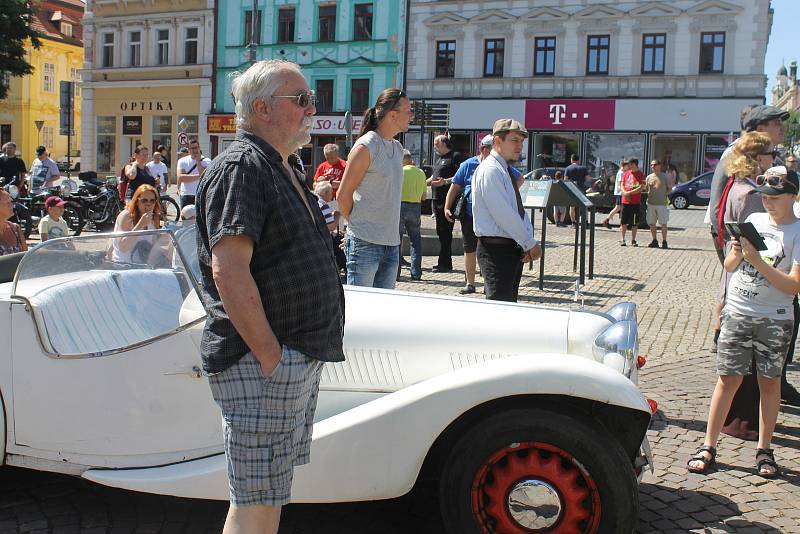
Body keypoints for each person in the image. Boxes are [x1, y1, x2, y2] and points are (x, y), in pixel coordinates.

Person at [195, 60, 344, 534]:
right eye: (300, 100)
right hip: (261, 363)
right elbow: (229, 269)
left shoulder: (280, 164)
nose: (312, 109)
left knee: (268, 495)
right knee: (255, 501)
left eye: (311, 98)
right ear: (261, 108)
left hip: (287, 359)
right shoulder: (242, 166)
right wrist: (269, 355)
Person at [688, 166, 800, 479]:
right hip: (738, 311)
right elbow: (729, 264)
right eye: (765, 194)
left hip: (774, 318)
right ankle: (709, 445)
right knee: (727, 379)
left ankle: (764, 449)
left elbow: (793, 287)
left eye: (776, 195)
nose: (768, 201)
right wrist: (738, 253)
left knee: (770, 384)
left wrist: (757, 261)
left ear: (792, 195)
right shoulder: (753, 221)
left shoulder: (797, 231)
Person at [716, 132, 776, 440]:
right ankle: (742, 422)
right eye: (770, 154)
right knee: (748, 363)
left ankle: (735, 419)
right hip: (749, 281)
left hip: (734, 276)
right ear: (757, 158)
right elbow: (761, 246)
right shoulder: (751, 194)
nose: (773, 159)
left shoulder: (734, 185)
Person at [337, 88, 410, 289]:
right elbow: (343, 194)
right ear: (392, 115)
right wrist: (356, 225)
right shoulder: (366, 146)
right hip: (364, 243)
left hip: (391, 243)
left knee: (382, 314)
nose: (411, 115)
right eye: (408, 110)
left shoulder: (397, 148)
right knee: (360, 312)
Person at [472, 119, 541, 302]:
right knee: (499, 313)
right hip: (496, 251)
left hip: (508, 249)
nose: (519, 146)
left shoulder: (503, 169)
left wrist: (525, 242)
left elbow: (516, 210)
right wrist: (529, 243)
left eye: (521, 141)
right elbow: (504, 214)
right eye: (514, 140)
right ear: (497, 141)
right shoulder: (491, 170)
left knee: (507, 308)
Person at [444, 134, 499, 294]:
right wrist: (447, 207)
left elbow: (518, 178)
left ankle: (489, 283)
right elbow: (454, 187)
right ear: (484, 149)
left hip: (491, 216)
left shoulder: (499, 165)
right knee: (469, 249)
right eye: (492, 150)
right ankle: (470, 283)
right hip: (469, 215)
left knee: (489, 249)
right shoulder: (468, 165)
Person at [427, 134, 465, 273]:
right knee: (440, 232)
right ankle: (443, 261)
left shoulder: (455, 157)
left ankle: (445, 263)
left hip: (447, 200)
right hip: (436, 200)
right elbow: (434, 176)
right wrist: (424, 182)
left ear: (444, 143)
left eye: (436, 143)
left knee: (445, 232)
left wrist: (445, 182)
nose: (434, 146)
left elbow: (459, 177)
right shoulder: (440, 159)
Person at [111, 184, 161, 263]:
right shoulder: (127, 216)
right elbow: (123, 247)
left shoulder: (154, 217)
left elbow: (153, 246)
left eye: (152, 201)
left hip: (143, 265)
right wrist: (140, 225)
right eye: (144, 200)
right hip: (123, 264)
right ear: (137, 201)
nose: (149, 204)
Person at [399, 150, 426, 281]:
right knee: (415, 241)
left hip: (400, 206)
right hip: (416, 207)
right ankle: (416, 273)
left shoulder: (400, 172)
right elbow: (424, 196)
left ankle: (395, 273)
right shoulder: (421, 173)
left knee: (396, 241)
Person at [177, 139, 211, 209]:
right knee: (186, 219)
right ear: (188, 150)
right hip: (186, 195)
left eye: (196, 147)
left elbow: (205, 176)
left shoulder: (207, 161)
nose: (195, 150)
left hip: (201, 195)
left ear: (199, 148)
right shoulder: (182, 161)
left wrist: (198, 161)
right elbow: (181, 178)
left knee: (201, 219)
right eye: (192, 148)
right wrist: (200, 176)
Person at [619, 158, 645, 247]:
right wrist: (624, 192)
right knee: (623, 221)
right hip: (625, 202)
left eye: (630, 164)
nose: (628, 166)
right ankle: (622, 239)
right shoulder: (626, 173)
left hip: (635, 202)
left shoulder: (641, 175)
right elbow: (622, 184)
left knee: (634, 222)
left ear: (634, 164)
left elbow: (641, 187)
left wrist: (629, 193)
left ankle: (633, 240)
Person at [646, 160, 670, 249]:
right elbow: (646, 189)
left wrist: (663, 194)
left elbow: (670, 189)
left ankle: (664, 241)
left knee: (663, 223)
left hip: (661, 204)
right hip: (651, 203)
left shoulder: (664, 176)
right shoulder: (648, 177)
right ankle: (654, 240)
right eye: (651, 165)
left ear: (659, 166)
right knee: (652, 223)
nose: (653, 166)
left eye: (655, 165)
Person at [601, 158, 628, 227]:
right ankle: (607, 220)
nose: (628, 168)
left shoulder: (621, 172)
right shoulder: (621, 173)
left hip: (620, 192)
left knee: (620, 208)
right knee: (618, 207)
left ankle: (622, 223)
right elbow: (620, 183)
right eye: (627, 166)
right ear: (624, 166)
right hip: (620, 193)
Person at [0, 189, 27, 256]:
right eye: (7, 203)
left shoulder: (15, 228)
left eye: (11, 202)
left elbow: (25, 258)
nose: (12, 205)